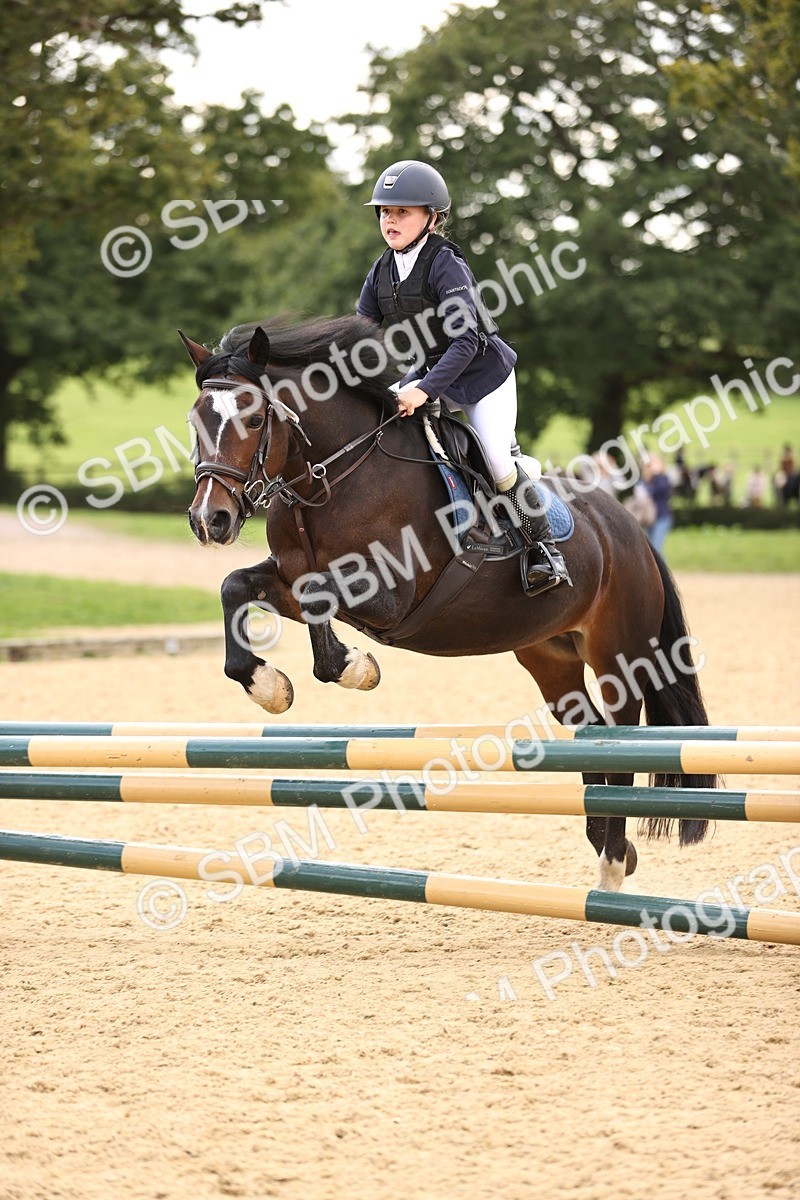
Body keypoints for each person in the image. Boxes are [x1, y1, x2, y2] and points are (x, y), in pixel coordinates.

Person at [356, 158, 570, 594]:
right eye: (385, 212)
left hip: (482, 377)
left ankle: (544, 551)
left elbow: (466, 343)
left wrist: (421, 391)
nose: (391, 220)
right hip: (431, 372)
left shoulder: (445, 264)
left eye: (403, 212)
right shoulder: (381, 269)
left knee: (495, 460)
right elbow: (360, 335)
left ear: (430, 218)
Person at [643, 456, 672, 555]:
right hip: (649, 519)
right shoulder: (645, 481)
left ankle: (662, 570)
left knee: (656, 549)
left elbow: (660, 490)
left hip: (661, 517)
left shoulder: (663, 479)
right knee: (651, 550)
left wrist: (656, 475)